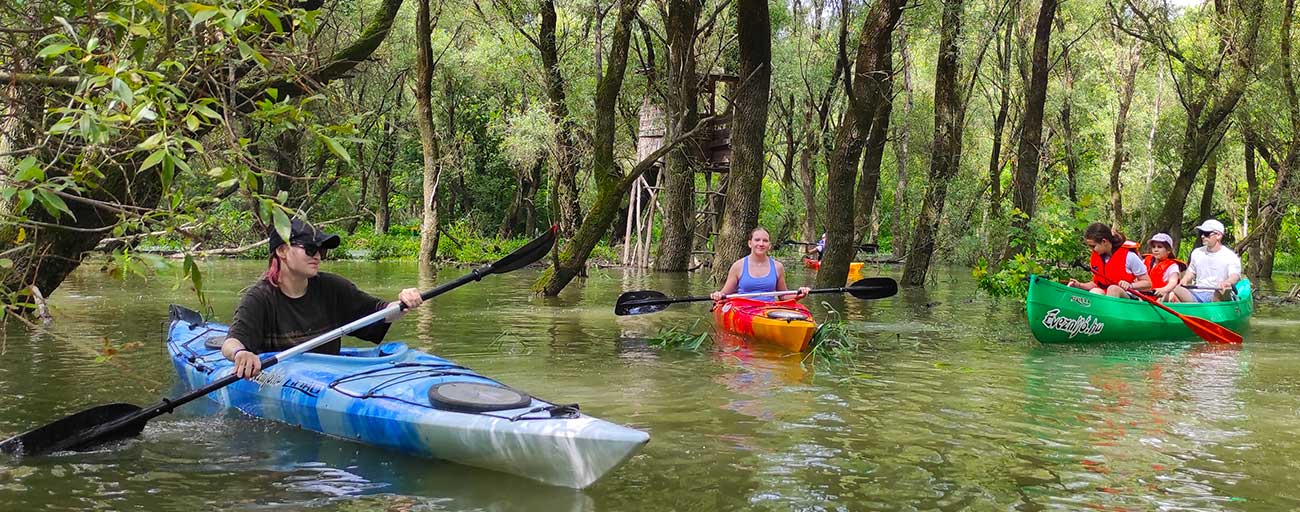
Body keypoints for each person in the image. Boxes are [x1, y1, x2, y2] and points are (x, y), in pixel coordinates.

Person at [221, 219, 423, 378]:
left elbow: (382, 313)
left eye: (321, 250)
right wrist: (241, 354)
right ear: (282, 250)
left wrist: (404, 302)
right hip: (279, 379)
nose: (317, 256)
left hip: (329, 376)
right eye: (310, 249)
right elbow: (231, 343)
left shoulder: (332, 287)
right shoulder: (260, 298)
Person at [711, 227, 812, 302]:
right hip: (743, 310)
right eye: (757, 240)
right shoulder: (738, 266)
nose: (761, 244)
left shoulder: (778, 267)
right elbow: (725, 294)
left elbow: (783, 296)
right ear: (750, 243)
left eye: (765, 241)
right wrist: (718, 295)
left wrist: (799, 293)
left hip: (767, 311)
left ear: (769, 245)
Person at [1067, 222, 1152, 298]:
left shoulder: (1129, 256)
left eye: (1093, 246)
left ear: (1104, 241)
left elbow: (1147, 283)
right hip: (1106, 296)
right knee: (1095, 291)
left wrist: (1130, 285)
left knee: (1113, 289)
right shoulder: (1097, 256)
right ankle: (1099, 315)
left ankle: (1109, 314)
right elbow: (1096, 284)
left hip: (1127, 296)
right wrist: (1080, 285)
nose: (1091, 250)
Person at [1171, 219, 1241, 303]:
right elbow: (1191, 271)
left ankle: (1214, 311)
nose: (1202, 236)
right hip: (1197, 293)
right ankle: (1190, 310)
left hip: (1218, 293)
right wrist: (1185, 280)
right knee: (1174, 288)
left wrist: (1227, 282)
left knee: (1221, 291)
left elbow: (1235, 276)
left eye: (1206, 234)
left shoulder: (1230, 256)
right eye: (1201, 233)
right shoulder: (1197, 252)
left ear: (1218, 235)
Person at [1141, 233, 1186, 302]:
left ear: (1168, 250)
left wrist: (1164, 290)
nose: (1155, 249)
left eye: (1159, 247)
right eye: (1153, 247)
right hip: (1141, 296)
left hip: (1159, 297)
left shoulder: (1172, 266)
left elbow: (1173, 282)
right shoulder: (1145, 261)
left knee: (1171, 295)